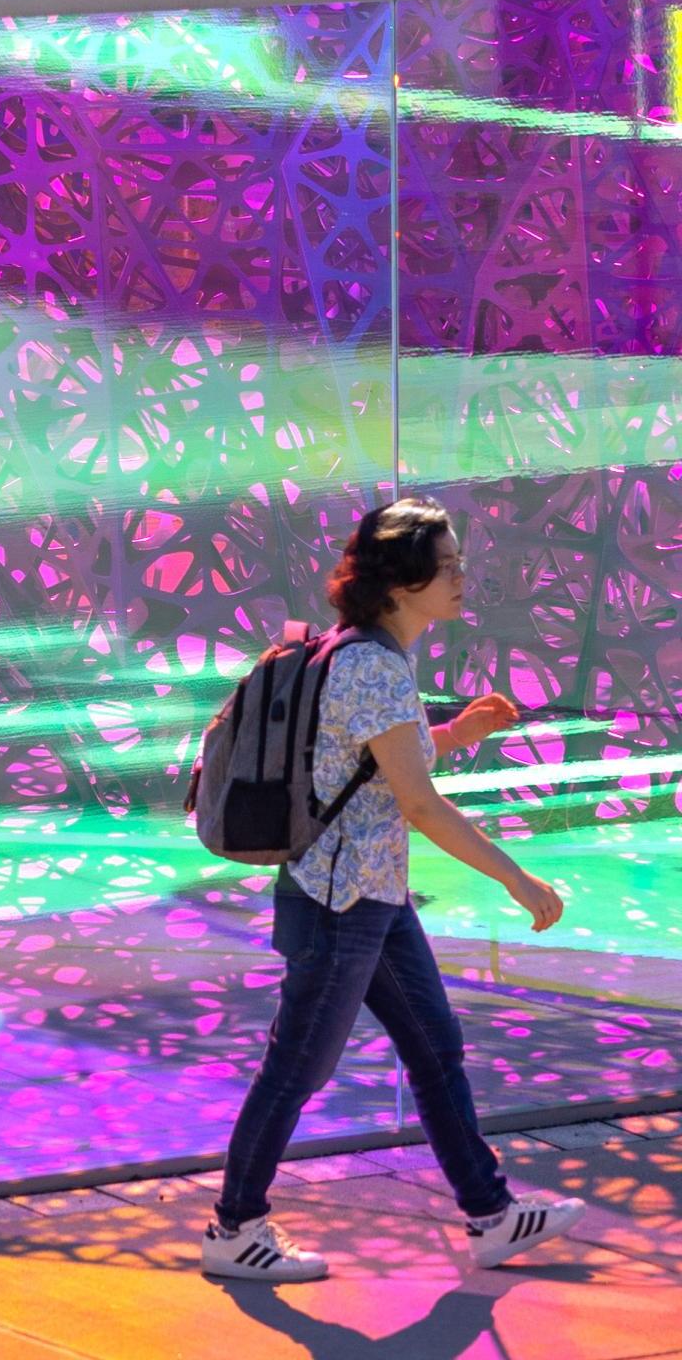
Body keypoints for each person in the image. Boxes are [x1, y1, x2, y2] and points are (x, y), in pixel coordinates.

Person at [201, 498, 585, 1283]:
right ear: (403, 582)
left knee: (436, 1051)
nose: (462, 578)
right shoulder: (371, 664)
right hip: (341, 907)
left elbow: (375, 766)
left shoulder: (367, 656)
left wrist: (456, 736)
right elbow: (416, 802)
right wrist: (515, 877)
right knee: (297, 1069)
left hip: (368, 900)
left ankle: (491, 1214)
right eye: (448, 566)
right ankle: (235, 1229)